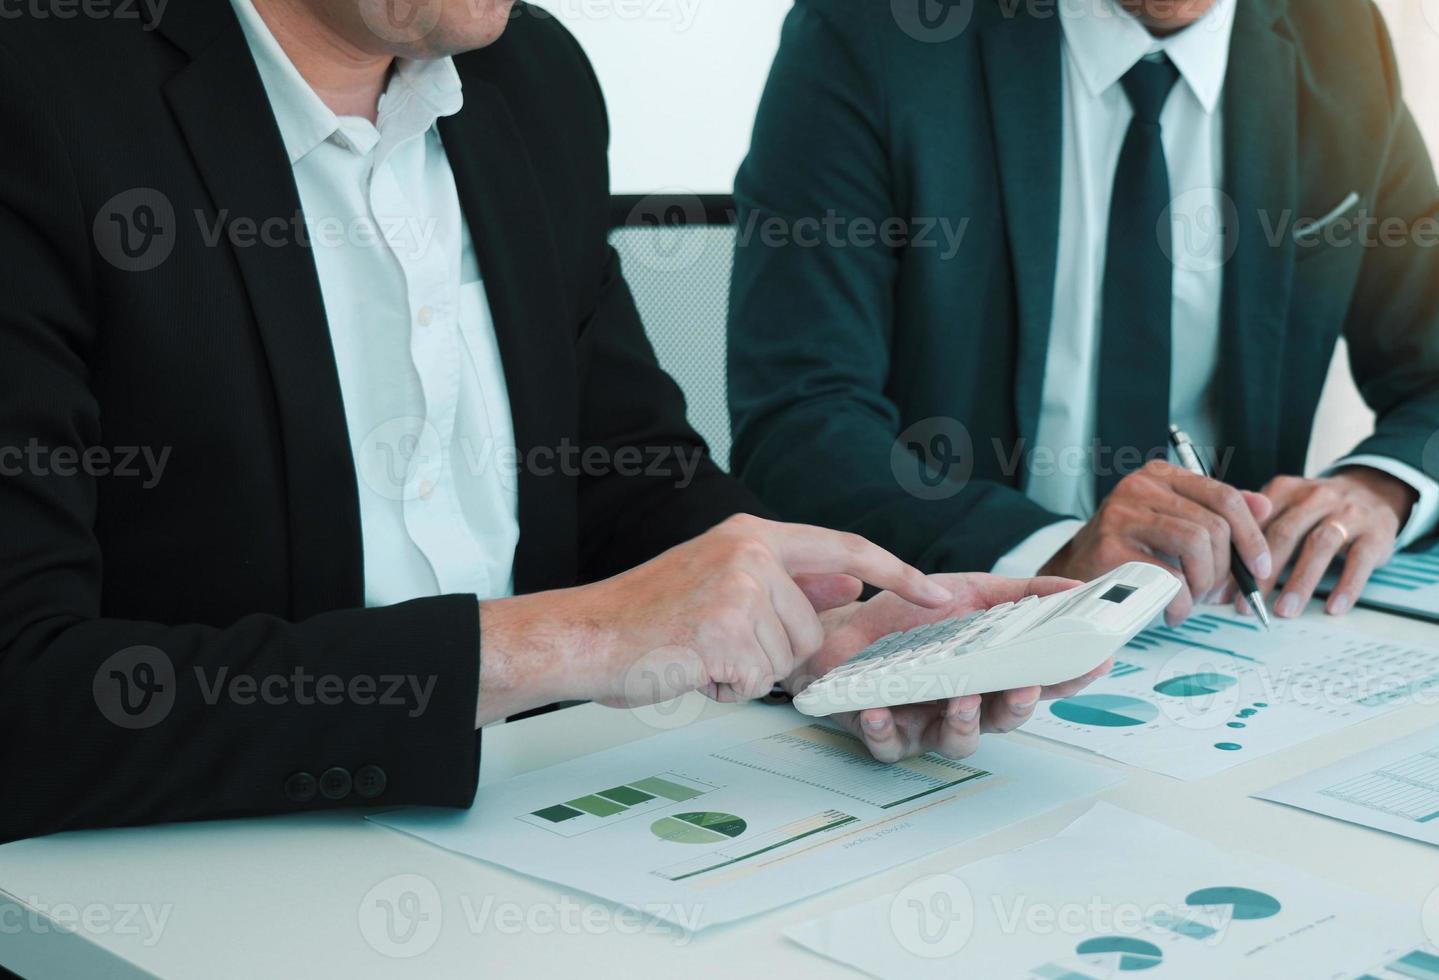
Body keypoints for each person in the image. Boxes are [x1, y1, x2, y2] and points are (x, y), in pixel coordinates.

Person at [0, 0, 1101, 845]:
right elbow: (26, 692)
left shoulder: (531, 76)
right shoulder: (40, 96)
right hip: (200, 876)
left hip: (531, 837)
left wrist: (830, 625)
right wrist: (580, 637)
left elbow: (630, 477)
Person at [728, 0, 1439, 627]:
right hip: (949, 640)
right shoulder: (874, 37)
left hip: (1220, 639)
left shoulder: (1335, 39)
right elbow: (799, 423)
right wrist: (1058, 551)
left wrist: (1375, 488)